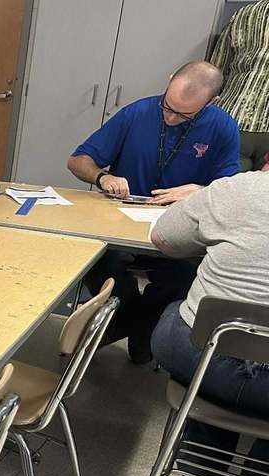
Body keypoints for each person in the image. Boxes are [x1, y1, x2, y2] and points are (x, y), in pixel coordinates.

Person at [67, 61, 241, 363]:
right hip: (120, 223)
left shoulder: (223, 127)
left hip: (177, 231)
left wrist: (200, 190)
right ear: (169, 81)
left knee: (186, 278)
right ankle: (137, 324)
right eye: (167, 107)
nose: (171, 118)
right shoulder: (138, 113)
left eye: (183, 114)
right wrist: (102, 177)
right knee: (94, 261)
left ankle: (131, 325)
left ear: (212, 102)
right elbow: (78, 160)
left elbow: (232, 188)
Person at [149, 168, 269, 476]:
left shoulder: (232, 189)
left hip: (204, 357)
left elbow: (163, 238)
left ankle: (202, 464)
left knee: (182, 313)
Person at [211, 0, 269, 162]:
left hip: (233, 116)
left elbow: (216, 69)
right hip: (238, 124)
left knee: (223, 185)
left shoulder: (246, 13)